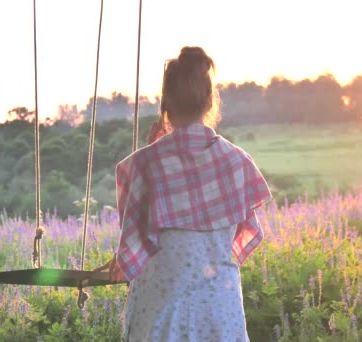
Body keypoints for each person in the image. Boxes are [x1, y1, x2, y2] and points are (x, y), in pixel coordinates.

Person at [94, 46, 272, 342]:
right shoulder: (237, 161)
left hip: (163, 310)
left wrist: (123, 261)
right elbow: (239, 234)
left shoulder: (144, 163)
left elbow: (133, 248)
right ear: (209, 101)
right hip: (220, 310)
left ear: (166, 103)